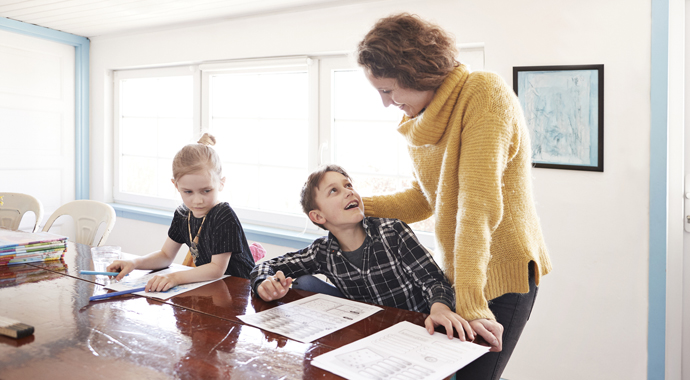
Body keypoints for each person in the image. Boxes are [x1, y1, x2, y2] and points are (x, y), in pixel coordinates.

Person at [356, 13, 553, 380]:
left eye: (388, 90)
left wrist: (472, 302)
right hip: (457, 273)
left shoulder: (484, 94)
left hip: (502, 270)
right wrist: (353, 207)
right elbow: (423, 199)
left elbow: (477, 205)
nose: (386, 103)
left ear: (414, 71)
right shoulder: (420, 122)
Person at [250, 164, 474, 340]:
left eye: (348, 185)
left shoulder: (393, 232)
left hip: (421, 333)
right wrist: (263, 283)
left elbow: (433, 279)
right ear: (318, 217)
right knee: (304, 282)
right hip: (370, 337)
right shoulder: (322, 252)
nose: (348, 192)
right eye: (334, 191)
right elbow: (266, 265)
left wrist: (440, 308)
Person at [108, 133, 255, 291]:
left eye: (206, 190)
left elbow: (216, 269)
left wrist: (175, 277)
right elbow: (165, 255)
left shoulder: (223, 215)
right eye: (188, 192)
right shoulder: (183, 214)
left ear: (221, 183)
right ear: (176, 186)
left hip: (241, 291)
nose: (197, 200)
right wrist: (135, 263)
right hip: (213, 289)